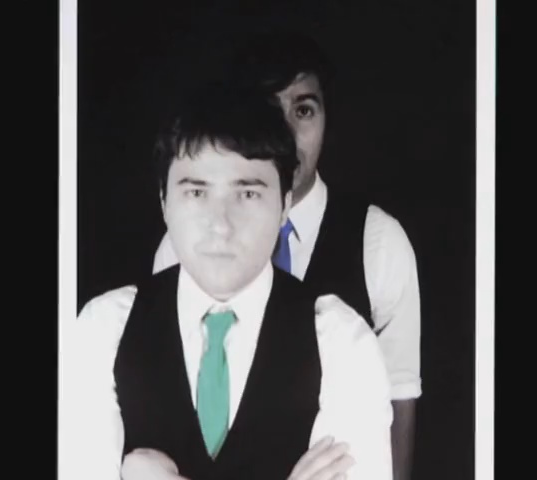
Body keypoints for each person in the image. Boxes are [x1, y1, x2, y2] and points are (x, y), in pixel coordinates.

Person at [60, 87, 393, 480]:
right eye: (196, 192)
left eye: (247, 193)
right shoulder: (103, 328)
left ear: (285, 204)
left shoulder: (341, 340)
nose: (220, 224)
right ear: (164, 201)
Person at [153, 30, 422, 480]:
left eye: (304, 110)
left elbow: (400, 403)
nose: (287, 132)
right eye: (267, 108)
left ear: (327, 117)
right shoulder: (186, 245)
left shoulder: (378, 243)